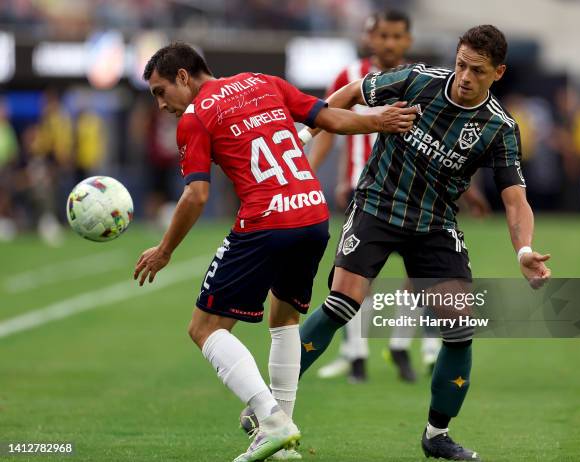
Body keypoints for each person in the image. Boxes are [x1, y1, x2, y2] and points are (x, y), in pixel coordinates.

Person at [243, 25, 552, 460]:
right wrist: (305, 135)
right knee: (342, 303)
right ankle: (266, 407)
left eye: (477, 71)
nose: (464, 76)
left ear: (497, 73)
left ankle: (437, 435)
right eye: (461, 64)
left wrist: (523, 250)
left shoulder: (498, 128)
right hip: (377, 206)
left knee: (459, 329)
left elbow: (515, 200)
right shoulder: (417, 81)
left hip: (434, 223)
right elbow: (349, 93)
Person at [133, 42, 417, 462]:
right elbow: (328, 118)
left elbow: (196, 195)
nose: (160, 104)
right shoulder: (263, 83)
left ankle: (270, 419)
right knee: (284, 319)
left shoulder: (195, 117)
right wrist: (378, 121)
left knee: (204, 328)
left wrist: (165, 249)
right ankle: (282, 440)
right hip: (312, 214)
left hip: (266, 220)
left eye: (160, 91)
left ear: (182, 76)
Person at [309, 10, 490, 383]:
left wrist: (469, 193)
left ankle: (399, 345)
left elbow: (445, 149)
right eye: (383, 36)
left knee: (417, 280)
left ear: (407, 40)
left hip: (418, 196)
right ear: (369, 38)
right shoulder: (349, 76)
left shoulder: (424, 79)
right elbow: (328, 122)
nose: (389, 43)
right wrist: (309, 168)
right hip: (365, 188)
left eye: (397, 37)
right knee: (358, 279)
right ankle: (356, 355)